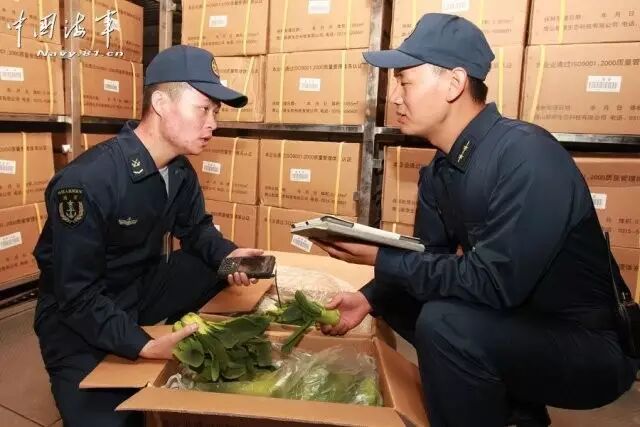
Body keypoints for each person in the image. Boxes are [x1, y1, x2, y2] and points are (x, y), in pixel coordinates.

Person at [312, 13, 638, 427]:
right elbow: (429, 257)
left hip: (590, 345)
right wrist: (370, 298)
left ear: (454, 83)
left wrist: (381, 258)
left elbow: (496, 282)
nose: (393, 97)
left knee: (446, 324)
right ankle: (515, 414)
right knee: (403, 296)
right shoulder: (439, 171)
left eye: (404, 82)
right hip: (522, 321)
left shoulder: (527, 156)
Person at [33, 45, 263, 426]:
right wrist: (144, 344)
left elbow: (197, 229)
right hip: (76, 315)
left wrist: (230, 257)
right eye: (204, 109)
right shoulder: (87, 183)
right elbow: (77, 296)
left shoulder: (179, 170)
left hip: (137, 287)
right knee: (116, 421)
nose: (213, 124)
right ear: (160, 103)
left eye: (216, 112)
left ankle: (174, 327)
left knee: (214, 264)